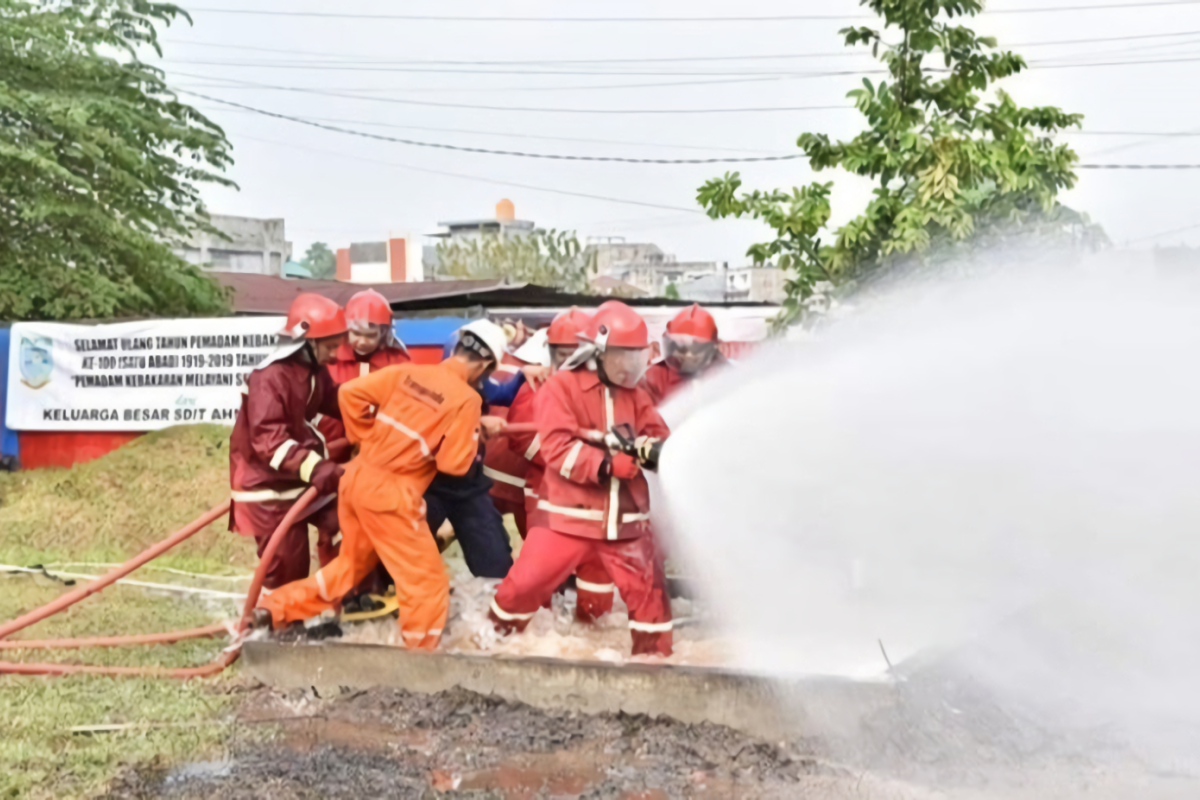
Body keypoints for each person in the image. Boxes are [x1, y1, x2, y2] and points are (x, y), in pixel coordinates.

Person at [254, 322, 506, 649]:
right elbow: (453, 465)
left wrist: (364, 436)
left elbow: (350, 393)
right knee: (427, 586)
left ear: (458, 347)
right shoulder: (467, 400)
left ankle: (271, 612)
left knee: (348, 568)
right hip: (392, 496)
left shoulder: (406, 373)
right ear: (486, 365)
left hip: (356, 480)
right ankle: (419, 662)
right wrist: (474, 433)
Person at [489, 301, 674, 657]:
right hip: (566, 519)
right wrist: (605, 466)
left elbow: (655, 433)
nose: (631, 367)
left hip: (625, 523)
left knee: (651, 601)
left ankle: (656, 666)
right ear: (598, 352)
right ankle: (487, 648)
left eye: (637, 358)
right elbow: (556, 448)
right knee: (522, 589)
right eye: (624, 357)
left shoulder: (637, 396)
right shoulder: (560, 389)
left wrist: (654, 449)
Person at [228, 294, 350, 589]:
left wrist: (379, 408)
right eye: (331, 345)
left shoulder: (311, 371)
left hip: (297, 479)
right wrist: (318, 468)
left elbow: (339, 402)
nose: (336, 354)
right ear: (307, 341)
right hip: (268, 488)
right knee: (287, 570)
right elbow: (269, 439)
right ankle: (275, 626)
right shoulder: (270, 377)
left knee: (350, 521)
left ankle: (345, 597)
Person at [423, 321, 549, 579]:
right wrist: (478, 424)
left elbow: (503, 393)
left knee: (496, 568)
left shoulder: (479, 385)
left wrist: (523, 374)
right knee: (395, 551)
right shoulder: (425, 385)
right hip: (428, 483)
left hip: (470, 487)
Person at [640, 304, 727, 407]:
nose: (685, 354)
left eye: (695, 347)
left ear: (712, 347)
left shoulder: (728, 376)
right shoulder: (654, 378)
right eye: (676, 345)